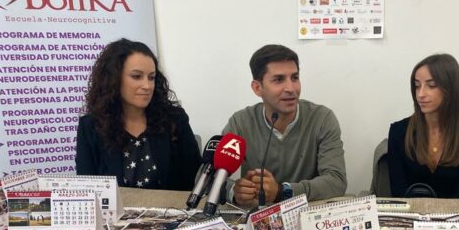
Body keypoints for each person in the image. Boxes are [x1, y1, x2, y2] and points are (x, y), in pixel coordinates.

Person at [223, 44, 347, 206]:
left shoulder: (322, 118)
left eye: (294, 78)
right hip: (257, 215)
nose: (291, 88)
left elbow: (336, 181)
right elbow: (207, 179)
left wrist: (283, 192)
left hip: (307, 213)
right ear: (257, 88)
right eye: (279, 80)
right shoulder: (240, 122)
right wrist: (234, 191)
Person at [75, 38, 201, 190]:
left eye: (151, 77)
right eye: (136, 76)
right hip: (116, 207)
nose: (147, 86)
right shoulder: (90, 127)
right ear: (114, 79)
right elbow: (88, 189)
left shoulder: (174, 119)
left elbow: (196, 181)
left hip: (172, 206)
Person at [387, 53, 459, 198]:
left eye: (431, 85)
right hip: (409, 211)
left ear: (450, 89)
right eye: (417, 86)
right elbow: (399, 194)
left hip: (454, 212)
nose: (420, 94)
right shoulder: (398, 132)